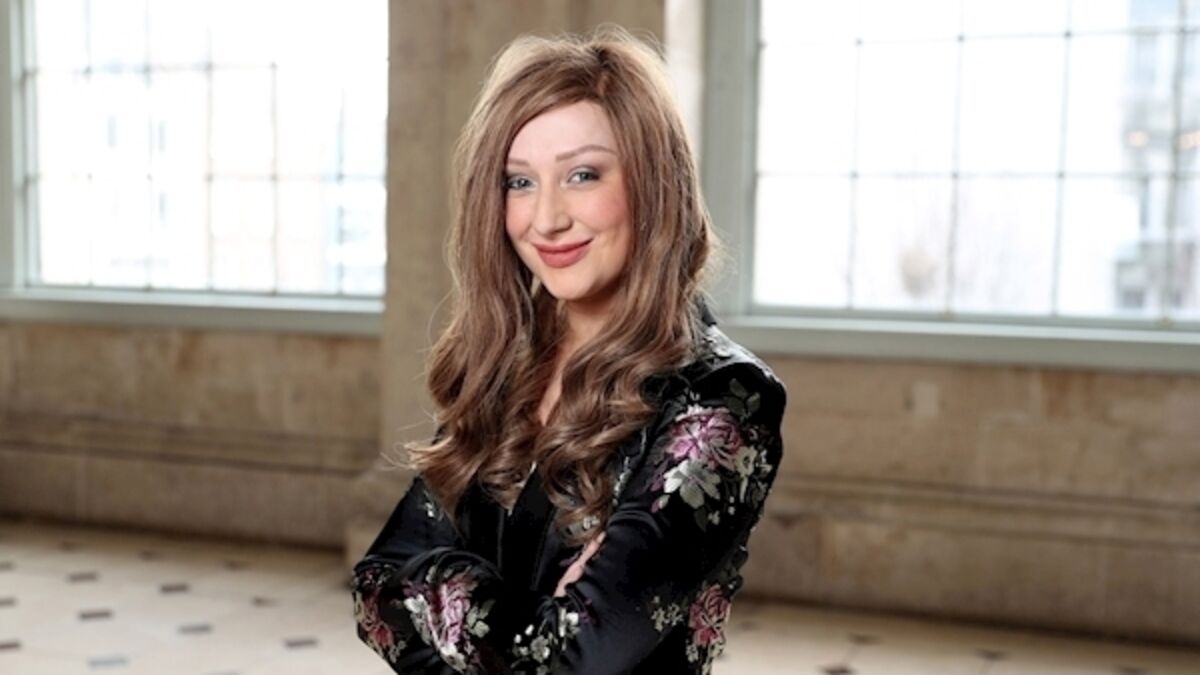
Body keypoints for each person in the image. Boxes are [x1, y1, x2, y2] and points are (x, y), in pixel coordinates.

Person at [351, 25, 787, 675]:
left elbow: (577, 660)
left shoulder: (723, 398)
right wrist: (523, 607)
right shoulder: (510, 366)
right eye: (519, 182)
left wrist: (437, 595)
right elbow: (375, 591)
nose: (547, 218)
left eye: (583, 175)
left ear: (653, 183)